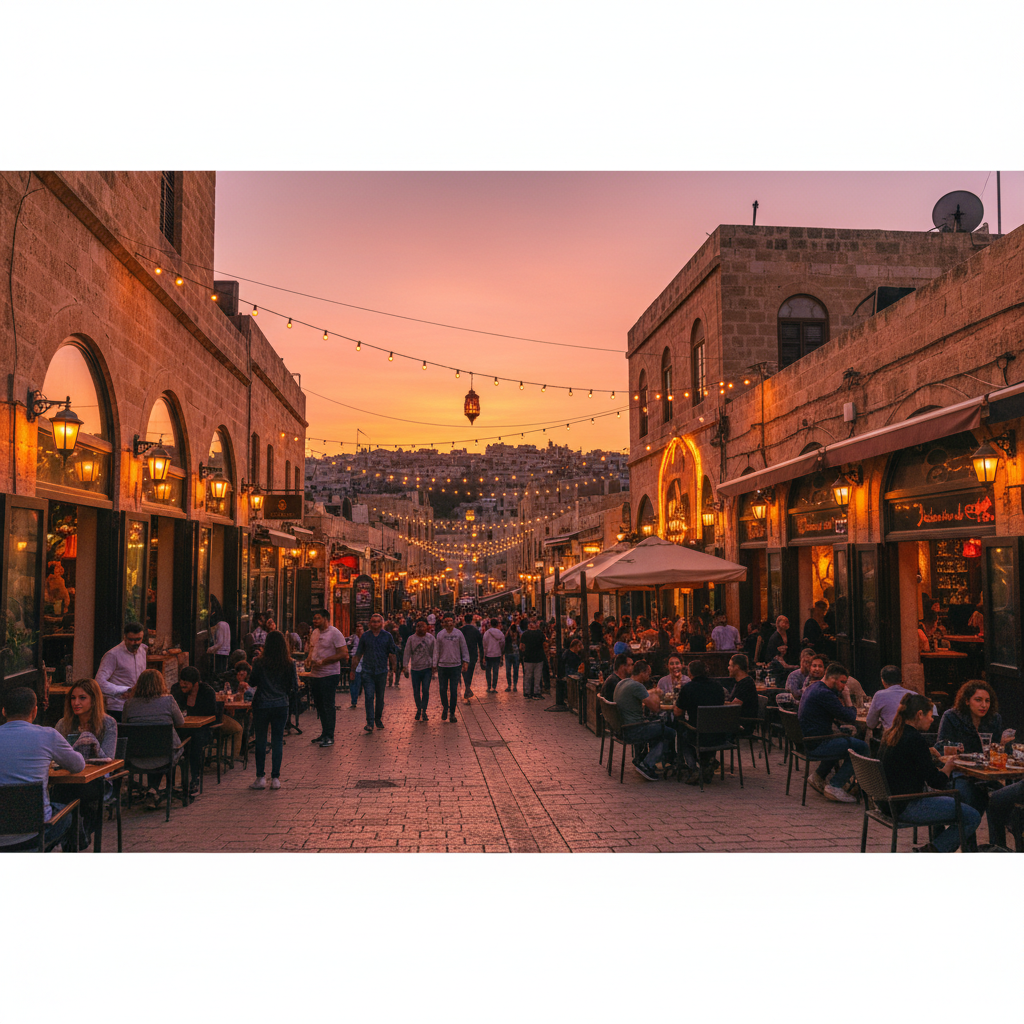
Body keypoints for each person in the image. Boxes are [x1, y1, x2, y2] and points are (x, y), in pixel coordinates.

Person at [879, 693, 980, 852]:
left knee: (953, 803)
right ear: (919, 714)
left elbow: (906, 761)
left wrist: (926, 753)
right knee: (972, 816)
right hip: (906, 806)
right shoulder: (915, 739)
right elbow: (937, 782)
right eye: (930, 715)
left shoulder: (891, 734)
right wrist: (949, 765)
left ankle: (934, 849)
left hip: (886, 803)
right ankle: (932, 851)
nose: (932, 719)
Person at [0, 687, 86, 850]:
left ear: (4, 711)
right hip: (34, 833)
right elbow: (78, 765)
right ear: (34, 711)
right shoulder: (47, 735)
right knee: (69, 812)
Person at [52, 678, 118, 848]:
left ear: (94, 700)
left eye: (82, 698)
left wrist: (91, 741)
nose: (76, 702)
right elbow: (55, 757)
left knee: (70, 793)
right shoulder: (63, 724)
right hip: (67, 779)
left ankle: (73, 837)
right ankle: (76, 837)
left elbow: (108, 759)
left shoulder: (108, 723)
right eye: (73, 698)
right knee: (59, 791)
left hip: (97, 781)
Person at [797, 662, 868, 803]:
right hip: (818, 744)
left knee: (842, 736)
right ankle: (835, 785)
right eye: (842, 682)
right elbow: (850, 717)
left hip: (810, 740)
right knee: (862, 748)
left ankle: (819, 775)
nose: (844, 687)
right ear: (832, 679)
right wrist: (847, 697)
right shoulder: (825, 694)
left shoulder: (814, 687)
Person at [936, 680, 1009, 813]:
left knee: (1005, 798)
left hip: (986, 774)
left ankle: (1006, 832)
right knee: (971, 797)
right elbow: (941, 747)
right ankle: (967, 831)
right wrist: (956, 748)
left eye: (987, 701)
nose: (984, 705)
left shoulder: (994, 719)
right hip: (959, 773)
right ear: (967, 701)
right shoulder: (951, 717)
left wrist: (1002, 745)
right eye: (978, 700)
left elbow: (996, 751)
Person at [122, 668, 186, 810]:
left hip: (136, 758)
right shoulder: (168, 701)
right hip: (165, 756)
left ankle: (152, 789)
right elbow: (180, 722)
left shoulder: (129, 704)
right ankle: (153, 789)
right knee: (163, 749)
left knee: (153, 748)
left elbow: (125, 723)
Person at [248, 630, 298, 790]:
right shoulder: (289, 663)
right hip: (281, 704)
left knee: (261, 740)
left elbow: (253, 681)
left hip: (262, 704)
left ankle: (260, 777)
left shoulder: (259, 662)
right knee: (277, 741)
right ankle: (275, 778)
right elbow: (294, 686)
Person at [613, 659, 675, 782]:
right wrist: (656, 694)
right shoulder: (638, 686)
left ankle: (643, 758)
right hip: (634, 729)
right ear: (642, 673)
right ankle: (647, 764)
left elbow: (641, 695)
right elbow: (656, 708)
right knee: (669, 732)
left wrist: (651, 692)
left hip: (622, 728)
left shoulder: (623, 682)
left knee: (659, 729)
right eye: (648, 674)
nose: (649, 677)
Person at [671, 659, 726, 785]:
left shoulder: (688, 688)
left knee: (682, 733)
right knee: (703, 730)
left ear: (690, 673)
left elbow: (678, 712)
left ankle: (694, 767)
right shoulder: (718, 686)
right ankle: (708, 761)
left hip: (697, 733)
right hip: (719, 734)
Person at [171, 665, 217, 797]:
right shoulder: (176, 690)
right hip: (182, 729)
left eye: (186, 683)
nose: (182, 685)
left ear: (195, 683)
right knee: (171, 741)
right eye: (181, 682)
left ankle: (194, 779)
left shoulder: (207, 692)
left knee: (195, 742)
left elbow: (212, 715)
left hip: (202, 729)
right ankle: (172, 783)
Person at [305, 609, 348, 748]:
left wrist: (324, 661)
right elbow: (312, 648)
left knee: (328, 704)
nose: (315, 621)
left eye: (318, 618)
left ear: (325, 619)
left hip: (329, 674)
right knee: (319, 704)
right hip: (315, 674)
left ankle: (330, 735)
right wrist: (308, 659)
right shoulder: (315, 632)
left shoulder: (335, 633)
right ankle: (324, 733)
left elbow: (343, 653)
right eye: (314, 618)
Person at [352, 612, 399, 734]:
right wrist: (353, 670)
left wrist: (394, 668)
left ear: (382, 623)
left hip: (381, 671)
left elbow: (392, 653)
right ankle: (370, 722)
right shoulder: (365, 637)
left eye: (378, 622)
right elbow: (358, 654)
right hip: (367, 671)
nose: (375, 624)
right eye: (373, 622)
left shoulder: (387, 636)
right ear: (369, 623)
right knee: (368, 696)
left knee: (380, 697)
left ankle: (378, 718)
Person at [95, 620, 148, 721]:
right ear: (124, 637)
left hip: (137, 705)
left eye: (138, 639)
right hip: (118, 707)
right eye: (131, 639)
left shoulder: (143, 650)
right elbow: (99, 682)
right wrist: (124, 690)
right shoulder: (113, 655)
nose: (135, 643)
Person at [433, 614, 469, 722]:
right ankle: (445, 707)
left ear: (454, 622)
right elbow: (436, 650)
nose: (449, 624)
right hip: (442, 666)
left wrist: (465, 661)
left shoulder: (458, 634)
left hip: (455, 665)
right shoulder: (440, 635)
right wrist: (434, 664)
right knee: (443, 689)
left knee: (454, 690)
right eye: (446, 621)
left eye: (450, 621)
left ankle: (452, 713)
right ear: (443, 623)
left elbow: (464, 648)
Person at [864, 665, 916, 732]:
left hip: (891, 739)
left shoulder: (879, 695)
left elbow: (870, 724)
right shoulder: (914, 694)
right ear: (901, 679)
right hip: (912, 737)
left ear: (883, 681)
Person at [402, 618, 436, 721]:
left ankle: (424, 710)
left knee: (425, 690)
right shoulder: (411, 639)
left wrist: (434, 665)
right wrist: (405, 666)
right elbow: (407, 652)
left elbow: (435, 652)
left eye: (422, 626)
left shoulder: (431, 638)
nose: (420, 628)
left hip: (427, 668)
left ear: (427, 627)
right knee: (416, 691)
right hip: (415, 669)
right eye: (418, 626)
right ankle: (418, 709)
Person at [519, 617, 548, 700]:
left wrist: (525, 653)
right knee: (537, 676)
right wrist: (544, 651)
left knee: (528, 676)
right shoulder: (540, 634)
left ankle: (527, 692)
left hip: (528, 658)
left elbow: (521, 647)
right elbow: (545, 645)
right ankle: (536, 692)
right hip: (539, 658)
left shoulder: (525, 634)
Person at [726, 653, 759, 721]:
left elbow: (735, 706)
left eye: (730, 666)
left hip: (743, 722)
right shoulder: (741, 682)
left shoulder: (746, 683)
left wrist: (717, 704)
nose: (728, 668)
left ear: (737, 667)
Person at [459, 613, 484, 700]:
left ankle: (467, 687)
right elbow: (480, 644)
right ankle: (467, 687)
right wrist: (482, 655)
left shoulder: (461, 630)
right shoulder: (476, 630)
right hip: (473, 654)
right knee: (470, 671)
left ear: (464, 620)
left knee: (464, 671)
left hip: (462, 654)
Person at [482, 617, 506, 691]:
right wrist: (501, 651)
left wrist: (484, 655)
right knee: (496, 671)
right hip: (497, 654)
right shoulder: (500, 633)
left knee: (488, 671)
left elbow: (484, 645)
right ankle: (494, 686)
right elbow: (503, 644)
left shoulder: (487, 633)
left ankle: (489, 686)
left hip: (488, 654)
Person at [207, 613, 232, 678]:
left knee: (219, 671)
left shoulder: (219, 625)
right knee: (223, 670)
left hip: (220, 652)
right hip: (226, 650)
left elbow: (219, 642)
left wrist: (210, 649)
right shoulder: (226, 624)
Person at [504, 619, 521, 691]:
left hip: (514, 653)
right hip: (510, 653)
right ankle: (510, 685)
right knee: (509, 670)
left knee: (515, 670)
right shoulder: (508, 635)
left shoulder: (518, 635)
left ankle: (514, 685)